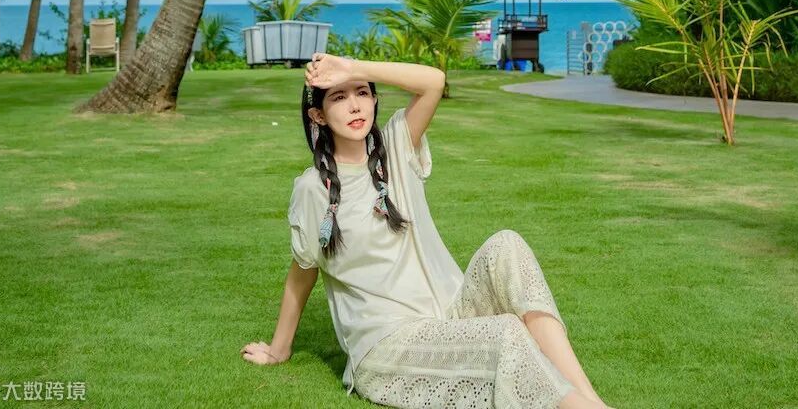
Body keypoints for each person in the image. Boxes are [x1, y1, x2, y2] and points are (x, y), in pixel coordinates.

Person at [241, 52, 612, 409]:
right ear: (318, 115)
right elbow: (302, 271)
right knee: (505, 332)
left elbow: (433, 82)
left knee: (507, 245)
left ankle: (590, 399)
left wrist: (351, 68)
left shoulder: (395, 148)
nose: (355, 106)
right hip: (387, 348)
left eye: (363, 93)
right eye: (339, 97)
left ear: (374, 100)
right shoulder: (312, 189)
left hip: (445, 316)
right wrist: (279, 349)